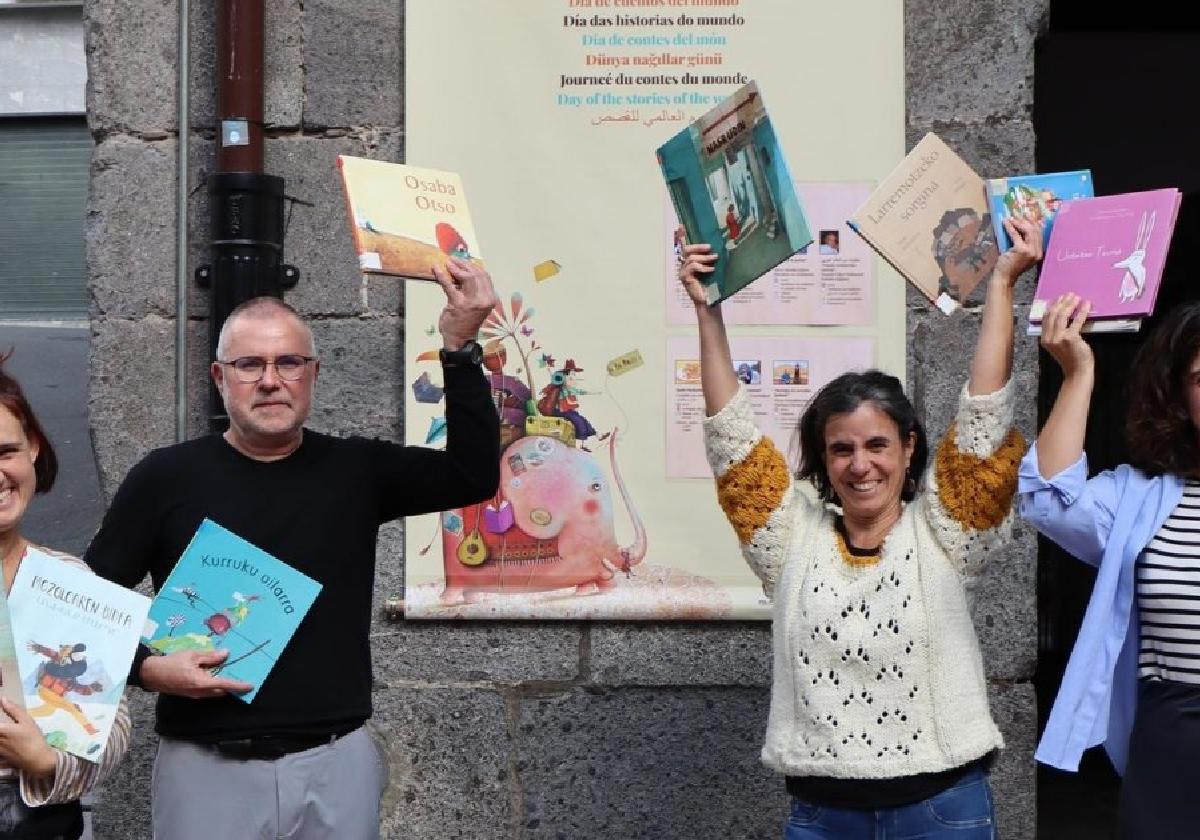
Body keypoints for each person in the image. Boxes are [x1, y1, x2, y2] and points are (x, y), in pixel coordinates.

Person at [83, 257, 500, 840]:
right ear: (218, 376)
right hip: (206, 771)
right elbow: (85, 607)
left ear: (313, 373)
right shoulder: (165, 478)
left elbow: (471, 476)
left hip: (336, 765)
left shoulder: (358, 470)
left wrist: (459, 347)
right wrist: (148, 670)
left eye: (289, 363)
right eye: (249, 364)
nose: (271, 379)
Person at [678, 216, 1042, 839]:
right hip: (822, 817)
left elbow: (983, 419)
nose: (860, 464)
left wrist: (1003, 283)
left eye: (877, 445)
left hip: (943, 810)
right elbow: (731, 440)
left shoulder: (946, 530)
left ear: (908, 447)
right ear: (823, 459)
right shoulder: (788, 537)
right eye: (841, 449)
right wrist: (707, 314)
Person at [1017, 296, 1200, 838]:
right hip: (1174, 738)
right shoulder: (1143, 499)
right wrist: (1078, 372)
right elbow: (1049, 498)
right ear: (1179, 396)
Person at [0, 353, 131, 839]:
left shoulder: (72, 582)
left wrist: (45, 760)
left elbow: (112, 725)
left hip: (42, 822)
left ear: (33, 448)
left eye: (5, 452)